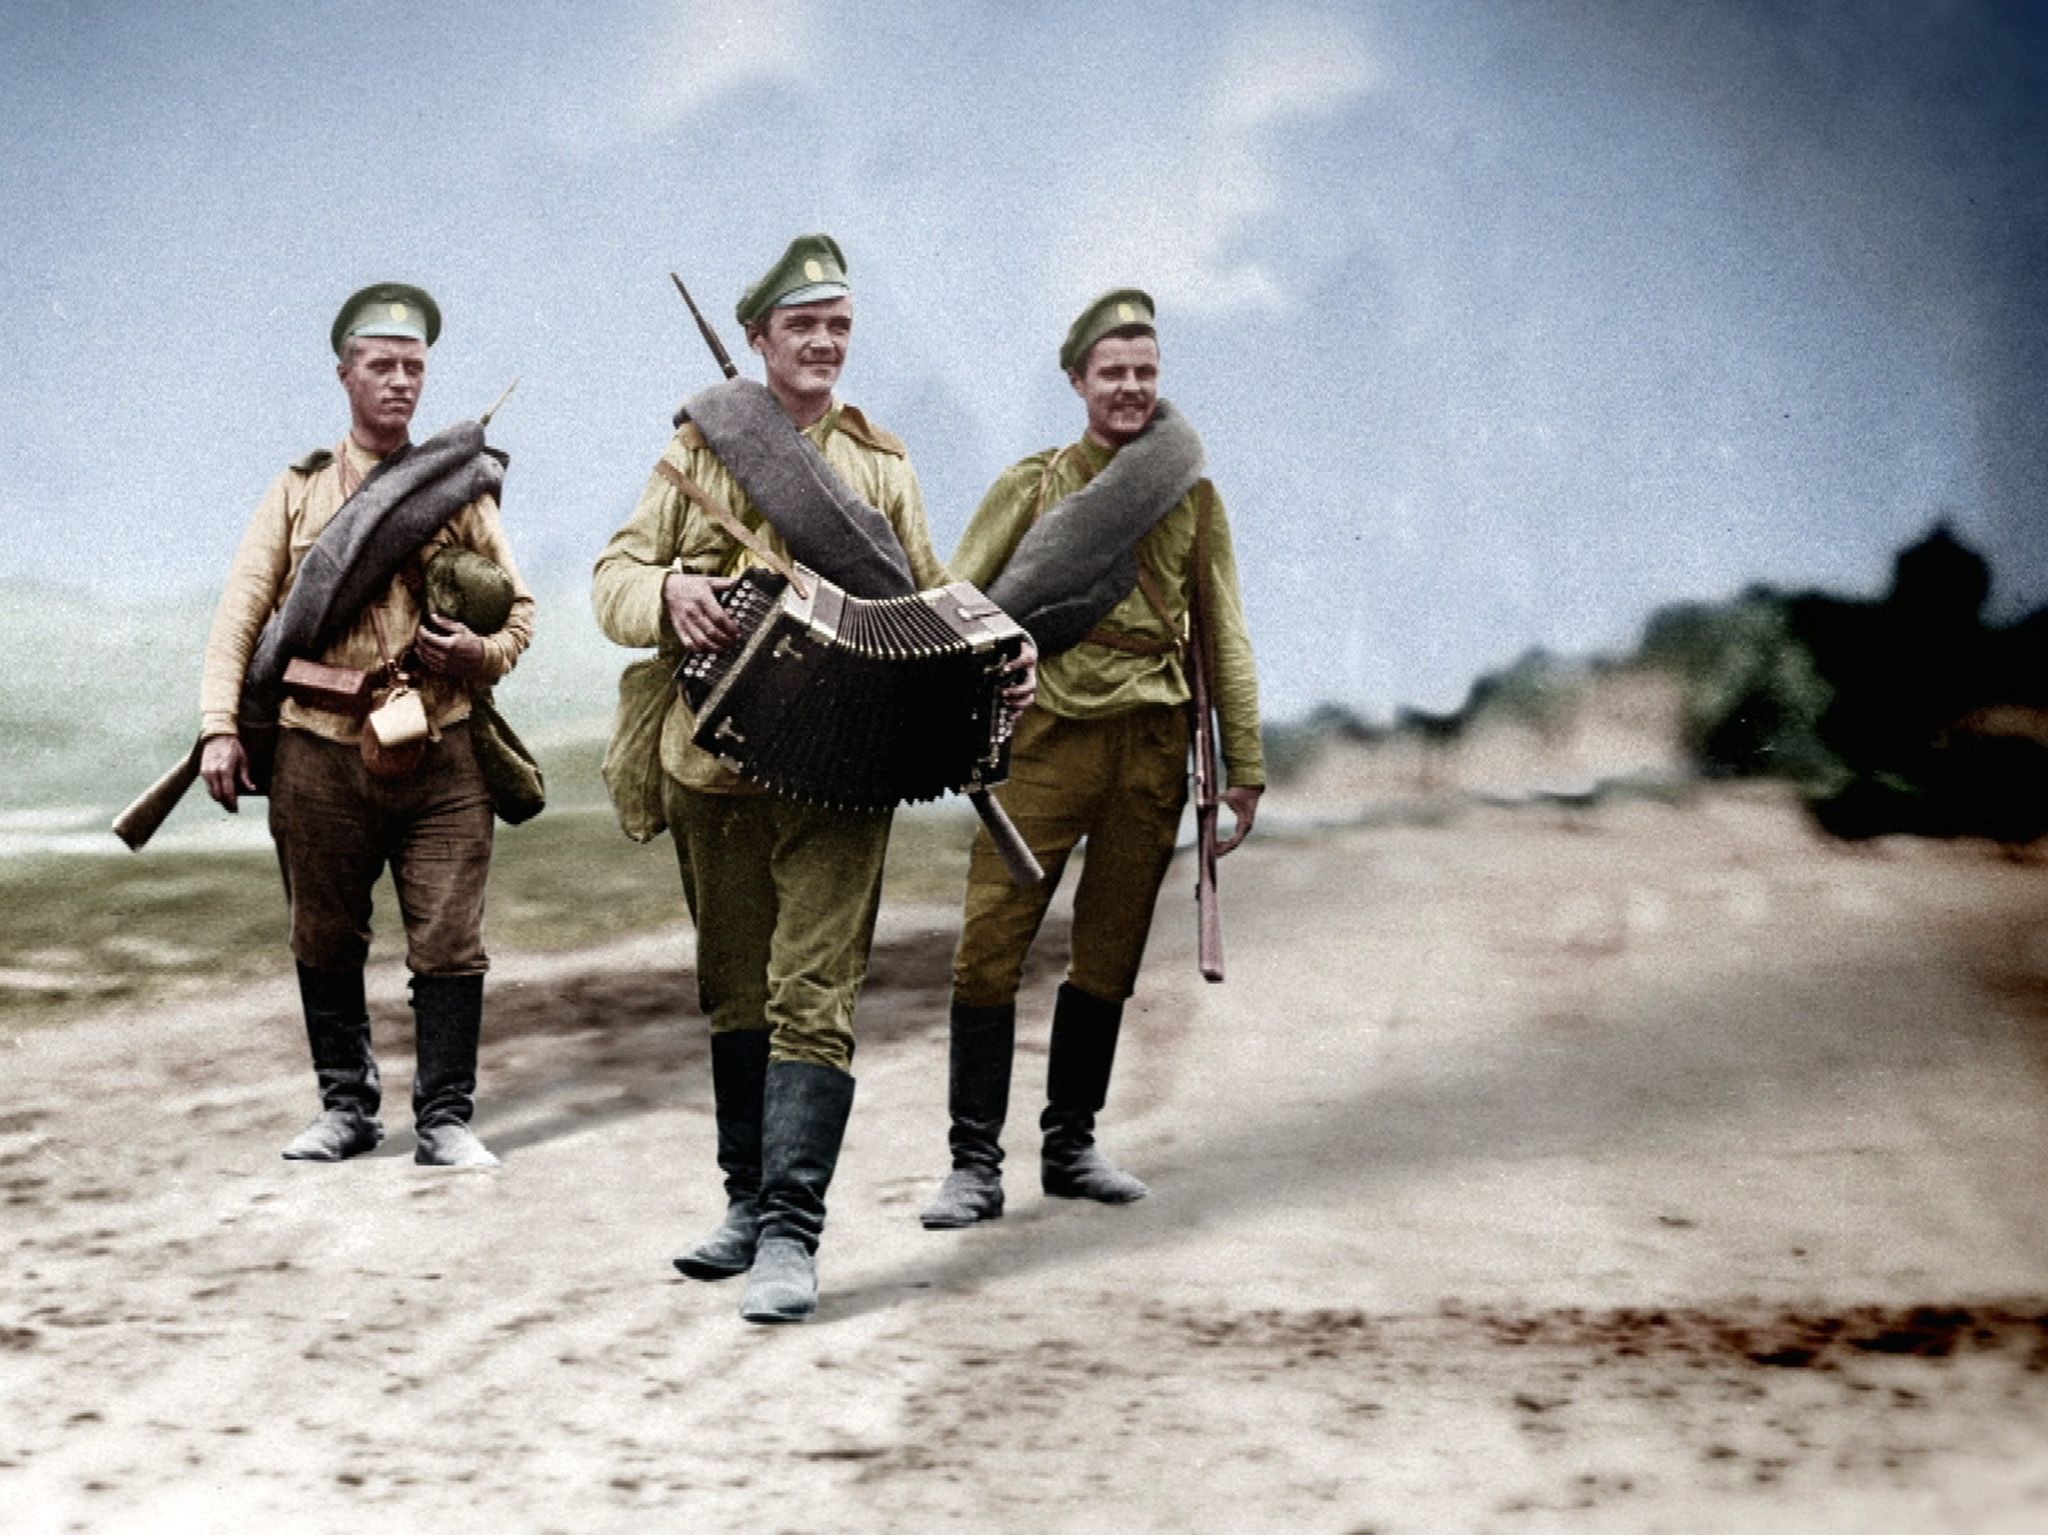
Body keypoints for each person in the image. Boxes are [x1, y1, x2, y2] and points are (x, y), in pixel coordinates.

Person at [593, 235, 1028, 1322]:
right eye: (802, 327)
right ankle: (744, 1206)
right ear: (756, 341)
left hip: (848, 770)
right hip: (715, 759)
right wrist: (672, 592)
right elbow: (613, 578)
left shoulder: (880, 462)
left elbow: (931, 596)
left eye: (838, 326)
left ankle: (792, 1231)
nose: (824, 344)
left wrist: (1001, 656)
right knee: (734, 989)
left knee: (811, 995)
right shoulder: (699, 450)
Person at [920, 288, 1263, 1230]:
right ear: (1077, 381)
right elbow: (957, 604)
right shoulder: (1033, 487)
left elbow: (1224, 631)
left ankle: (1070, 1145)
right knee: (989, 947)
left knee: (1109, 952)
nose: (1130, 389)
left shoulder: (1191, 493)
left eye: (1146, 373)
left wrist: (1245, 766)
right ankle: (972, 1164)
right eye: (1112, 372)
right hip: (1045, 741)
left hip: (1153, 747)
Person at [199, 284, 535, 1170]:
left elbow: (523, 614)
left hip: (441, 740)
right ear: (344, 373)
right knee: (324, 930)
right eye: (381, 365)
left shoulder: (455, 486)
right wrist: (217, 728)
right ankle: (346, 1108)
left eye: (414, 367)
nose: (399, 382)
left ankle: (446, 1119)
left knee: (451, 939)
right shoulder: (300, 490)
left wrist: (479, 652)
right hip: (318, 741)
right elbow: (240, 617)